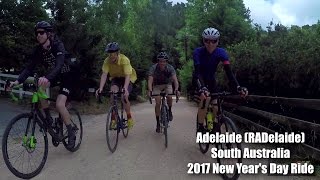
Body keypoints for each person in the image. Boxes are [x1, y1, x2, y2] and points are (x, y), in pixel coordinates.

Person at [9, 21, 77, 148]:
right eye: (37, 33)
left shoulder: (58, 45)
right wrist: (17, 81)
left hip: (67, 76)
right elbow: (29, 68)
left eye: (41, 32)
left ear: (49, 34)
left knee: (59, 104)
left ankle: (71, 130)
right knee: (39, 88)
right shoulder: (38, 50)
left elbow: (59, 65)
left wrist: (47, 77)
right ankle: (48, 118)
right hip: (55, 76)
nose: (38, 35)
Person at [193, 27, 248, 133]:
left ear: (218, 41)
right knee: (205, 99)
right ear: (203, 41)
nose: (210, 44)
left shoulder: (221, 52)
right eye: (207, 41)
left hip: (211, 80)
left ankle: (213, 125)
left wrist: (238, 87)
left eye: (213, 41)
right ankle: (200, 127)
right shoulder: (198, 52)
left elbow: (229, 72)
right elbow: (198, 72)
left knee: (216, 105)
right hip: (199, 79)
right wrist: (202, 88)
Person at [96, 42, 136, 129]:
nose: (111, 56)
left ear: (118, 53)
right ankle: (113, 119)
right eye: (109, 54)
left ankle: (129, 118)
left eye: (113, 54)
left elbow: (128, 75)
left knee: (123, 97)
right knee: (112, 94)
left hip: (126, 78)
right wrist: (101, 88)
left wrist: (125, 88)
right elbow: (104, 74)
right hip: (116, 78)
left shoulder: (124, 60)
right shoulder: (107, 61)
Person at [147, 52, 180, 133]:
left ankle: (169, 110)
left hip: (167, 84)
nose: (162, 63)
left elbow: (175, 80)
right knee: (157, 101)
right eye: (160, 61)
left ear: (166, 62)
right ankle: (158, 122)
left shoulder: (170, 68)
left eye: (164, 61)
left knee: (169, 96)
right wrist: (150, 90)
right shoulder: (153, 68)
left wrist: (176, 89)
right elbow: (150, 80)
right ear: (158, 61)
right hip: (157, 85)